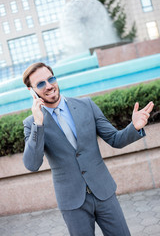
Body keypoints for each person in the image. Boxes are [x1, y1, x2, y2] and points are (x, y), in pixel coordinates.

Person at [22, 62, 154, 236]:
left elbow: (115, 139)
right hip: (72, 202)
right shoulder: (31, 124)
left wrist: (134, 127)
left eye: (50, 79)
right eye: (40, 84)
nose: (48, 86)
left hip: (104, 191)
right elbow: (32, 164)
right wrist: (39, 123)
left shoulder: (86, 105)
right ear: (31, 91)